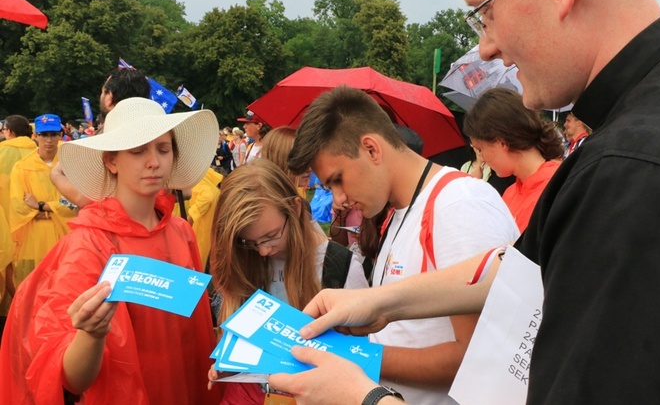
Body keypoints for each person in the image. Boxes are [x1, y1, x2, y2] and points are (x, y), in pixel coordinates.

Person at [269, 0, 660, 403]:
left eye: (486, 14)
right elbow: (520, 268)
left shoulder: (638, 174)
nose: (486, 49)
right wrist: (379, 302)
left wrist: (363, 397)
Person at [286, 86, 518, 404]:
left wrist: (355, 357)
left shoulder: (459, 205)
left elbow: (477, 358)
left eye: (337, 179)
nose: (338, 198)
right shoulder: (401, 210)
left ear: (371, 149)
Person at [0, 97, 221, 404]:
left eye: (163, 148)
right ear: (111, 160)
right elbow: (71, 378)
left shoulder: (181, 231)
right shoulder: (88, 245)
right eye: (137, 150)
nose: (154, 161)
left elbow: (194, 337)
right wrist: (90, 335)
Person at [207, 159, 368, 402]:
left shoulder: (337, 266)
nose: (262, 251)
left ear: (294, 209)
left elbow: (361, 356)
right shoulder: (242, 260)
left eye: (271, 236)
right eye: (249, 242)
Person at [463, 88, 563, 232]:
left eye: (480, 149)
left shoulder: (557, 188)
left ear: (501, 143)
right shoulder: (511, 192)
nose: (482, 159)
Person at [51, 66, 151, 209]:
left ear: (109, 98)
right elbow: (183, 191)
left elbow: (85, 198)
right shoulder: (158, 136)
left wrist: (55, 174)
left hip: (111, 225)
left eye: (102, 92)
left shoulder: (106, 138)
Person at [8, 114, 77, 286]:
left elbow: (75, 202)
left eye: (53, 134)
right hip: (34, 240)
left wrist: (41, 206)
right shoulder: (22, 167)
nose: (49, 140)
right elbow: (19, 206)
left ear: (60, 135)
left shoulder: (72, 162)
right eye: (44, 135)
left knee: (64, 285)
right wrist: (54, 211)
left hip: (66, 236)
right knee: (33, 286)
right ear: (36, 136)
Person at [0, 115, 36, 314]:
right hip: (36, 222)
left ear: (9, 132)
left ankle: (15, 310)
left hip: (5, 221)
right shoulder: (42, 152)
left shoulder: (1, 151)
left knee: (6, 267)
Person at [262, 126, 310, 198]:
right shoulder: (271, 204)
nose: (309, 168)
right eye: (300, 160)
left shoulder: (295, 196)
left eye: (309, 159)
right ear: (280, 161)